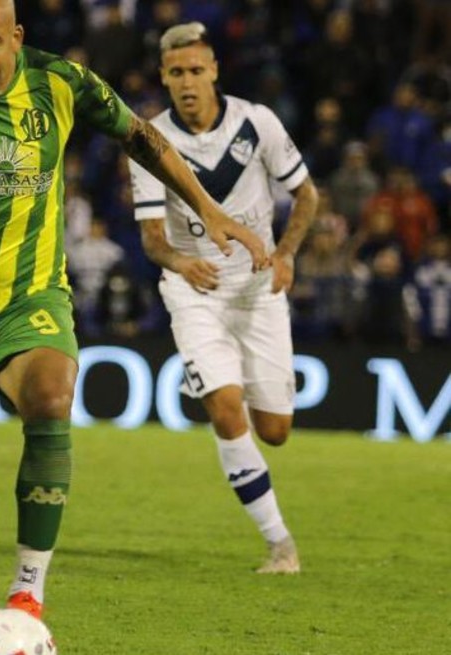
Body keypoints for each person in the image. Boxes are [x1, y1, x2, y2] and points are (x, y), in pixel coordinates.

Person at [0, 1, 268, 650]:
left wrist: (207, 207)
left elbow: (141, 137)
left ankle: (27, 587)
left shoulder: (60, 80)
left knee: (52, 395)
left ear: (16, 37)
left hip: (30, 296)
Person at [130, 22, 318, 575]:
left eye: (196, 70)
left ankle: (274, 525)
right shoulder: (149, 141)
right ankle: (280, 544)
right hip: (197, 292)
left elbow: (306, 194)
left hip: (259, 290)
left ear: (214, 70)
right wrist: (180, 262)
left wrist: (286, 254)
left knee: (275, 431)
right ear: (164, 78)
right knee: (224, 406)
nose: (187, 82)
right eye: (177, 73)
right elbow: (152, 239)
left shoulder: (256, 123)